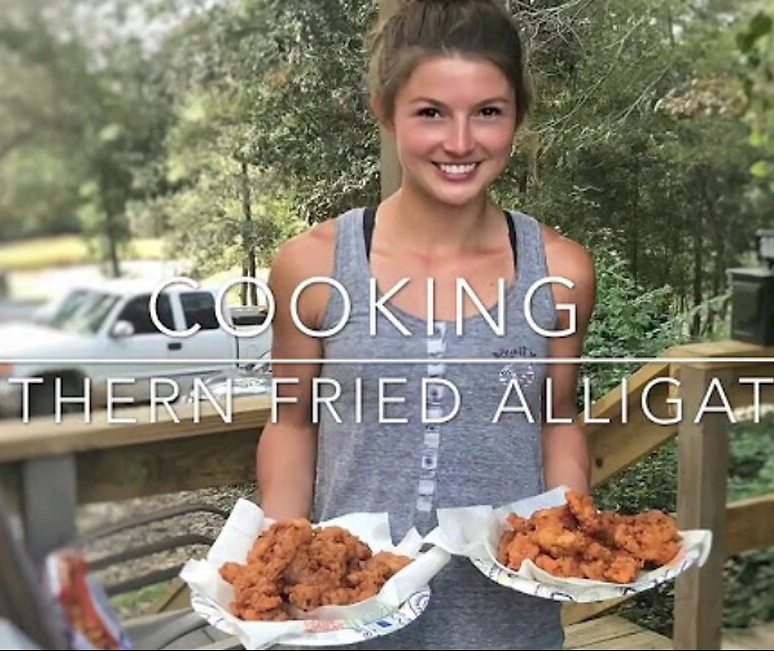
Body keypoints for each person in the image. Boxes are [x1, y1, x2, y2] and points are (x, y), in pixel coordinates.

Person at [255, 0, 596, 647]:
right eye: (431, 112)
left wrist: (569, 537)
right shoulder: (313, 265)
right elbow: (291, 421)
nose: (461, 142)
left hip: (506, 624)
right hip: (349, 620)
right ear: (384, 111)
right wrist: (279, 562)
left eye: (488, 112)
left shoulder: (563, 271)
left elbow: (558, 417)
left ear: (518, 114)